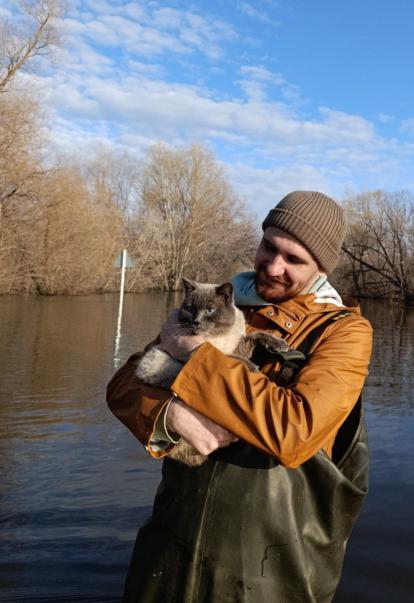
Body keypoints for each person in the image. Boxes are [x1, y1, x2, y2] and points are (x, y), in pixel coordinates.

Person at [107, 190, 373, 603]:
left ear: (321, 268)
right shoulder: (217, 304)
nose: (273, 265)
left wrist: (194, 354)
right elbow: (123, 383)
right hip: (169, 559)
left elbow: (295, 432)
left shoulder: (344, 333)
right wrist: (168, 415)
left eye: (294, 259)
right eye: (269, 246)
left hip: (269, 575)